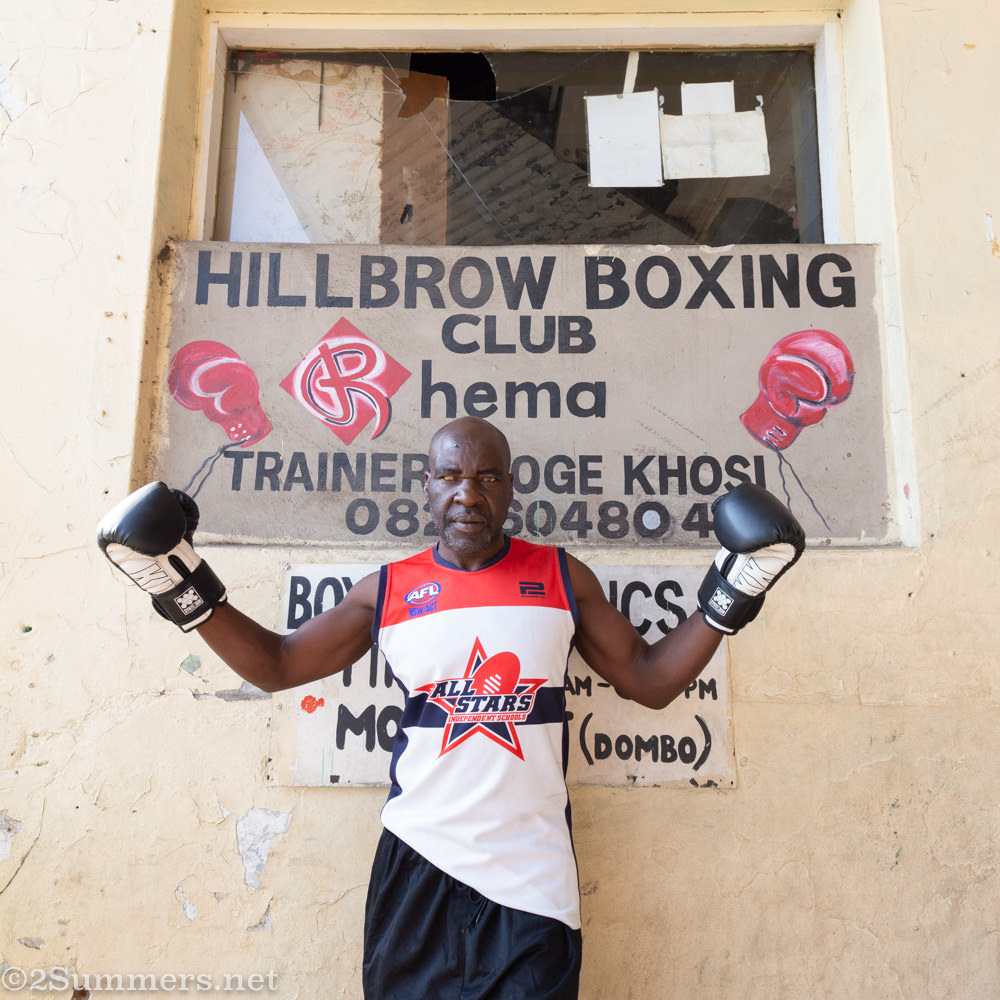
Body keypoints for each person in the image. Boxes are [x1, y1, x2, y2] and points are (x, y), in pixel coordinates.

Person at [97, 416, 804, 999]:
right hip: (417, 864)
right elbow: (279, 666)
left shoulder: (559, 574)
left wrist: (732, 588)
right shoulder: (390, 589)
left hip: (532, 877)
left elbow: (649, 680)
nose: (471, 493)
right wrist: (179, 585)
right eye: (452, 476)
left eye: (488, 477)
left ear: (511, 488)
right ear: (426, 488)